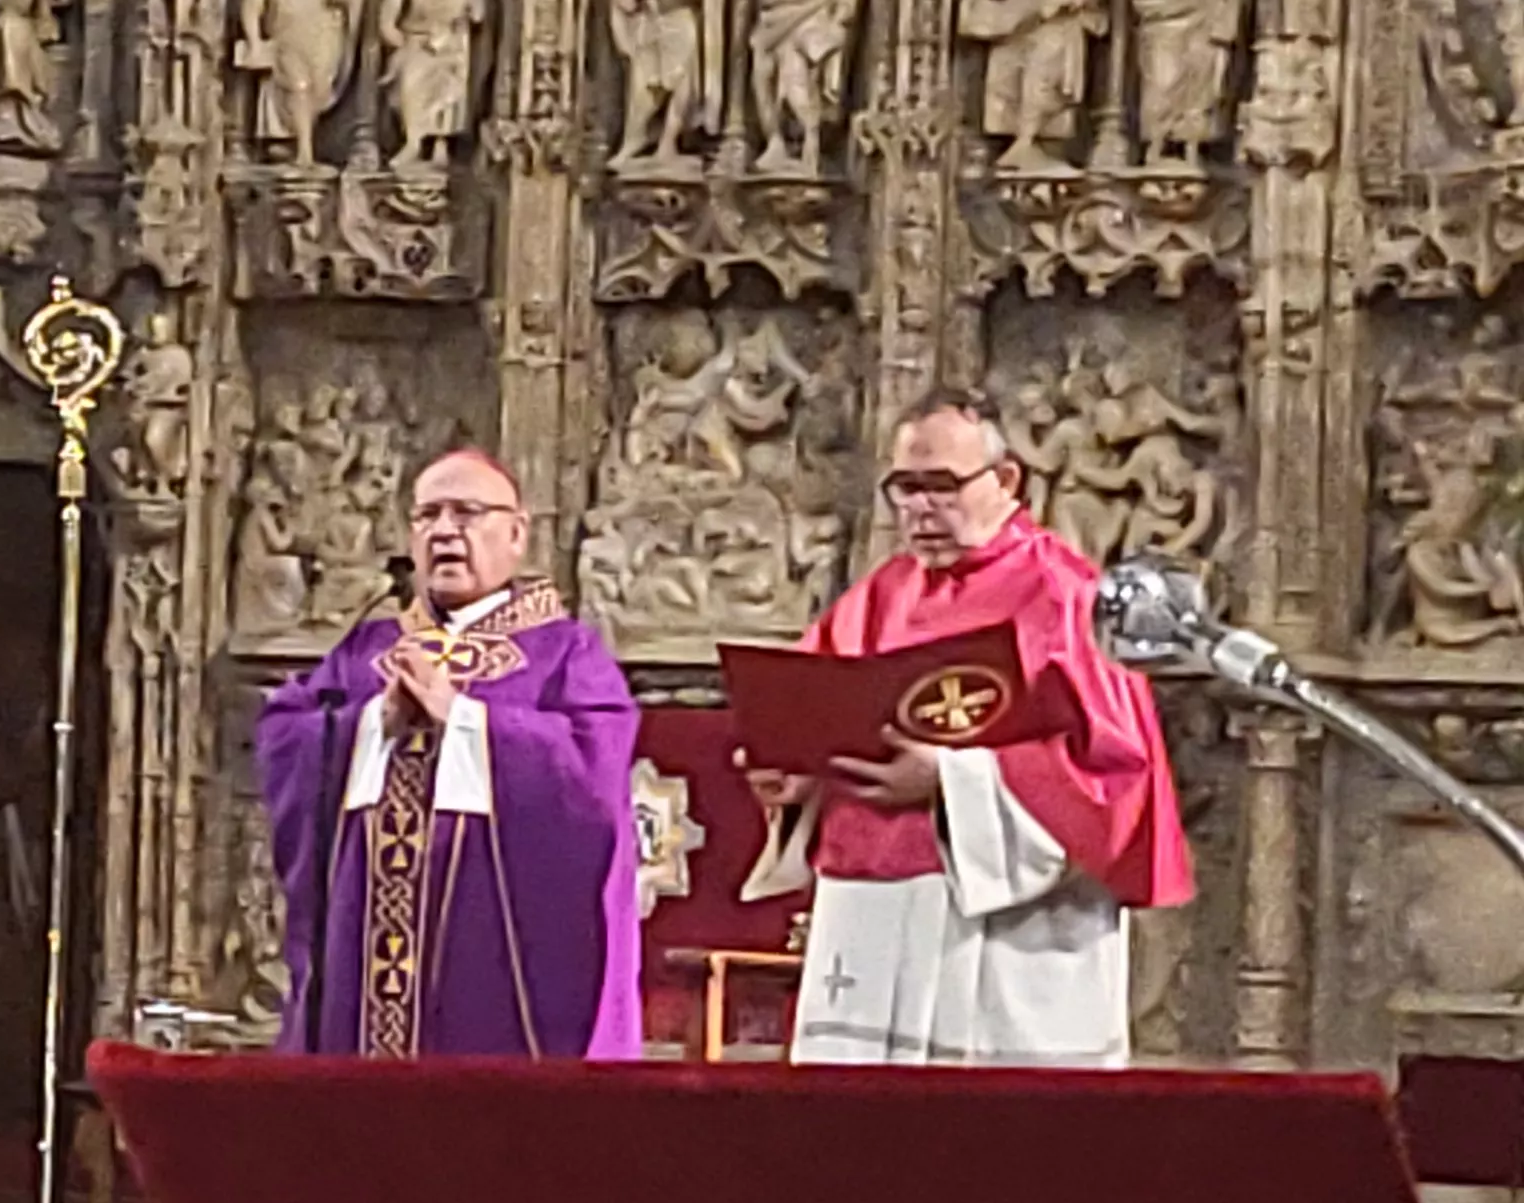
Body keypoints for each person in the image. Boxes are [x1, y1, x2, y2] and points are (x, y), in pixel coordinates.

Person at [742, 388, 1190, 1065]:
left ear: (1006, 480)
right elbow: (811, 714)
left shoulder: (1064, 596)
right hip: (870, 920)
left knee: (989, 1126)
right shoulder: (880, 596)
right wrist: (793, 772)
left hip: (1007, 934)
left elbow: (1114, 784)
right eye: (905, 487)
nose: (920, 508)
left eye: (943, 486)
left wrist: (950, 780)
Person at [255, 447, 647, 1058]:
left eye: (466, 513)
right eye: (427, 515)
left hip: (488, 939)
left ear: (516, 534)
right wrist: (371, 724)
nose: (443, 531)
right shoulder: (366, 648)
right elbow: (287, 734)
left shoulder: (564, 653)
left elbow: (592, 776)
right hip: (364, 944)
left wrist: (463, 719)